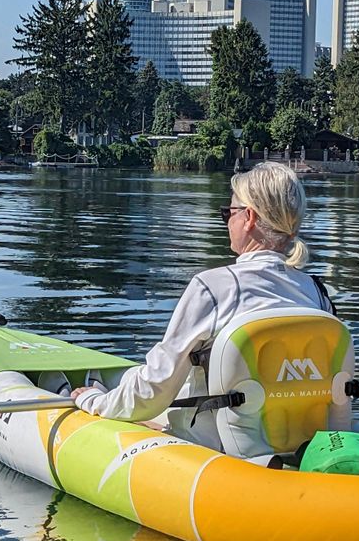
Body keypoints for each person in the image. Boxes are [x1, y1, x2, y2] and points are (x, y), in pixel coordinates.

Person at [71, 161, 339, 464]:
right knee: (139, 377)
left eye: (229, 212)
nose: (227, 221)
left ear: (249, 218)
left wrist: (95, 403)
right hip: (300, 445)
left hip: (218, 451)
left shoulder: (213, 287)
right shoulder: (316, 293)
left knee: (142, 399)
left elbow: (153, 391)